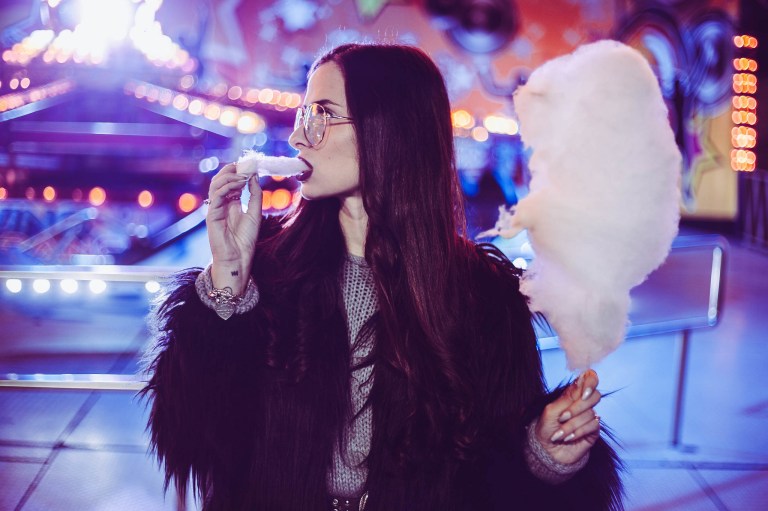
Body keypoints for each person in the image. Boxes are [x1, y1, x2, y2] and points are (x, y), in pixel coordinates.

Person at [141, 43, 623, 511]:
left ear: (388, 130)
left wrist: (542, 453)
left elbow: (491, 478)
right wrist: (228, 277)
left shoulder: (484, 299)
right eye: (303, 114)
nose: (297, 138)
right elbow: (189, 440)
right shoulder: (267, 271)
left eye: (321, 115)